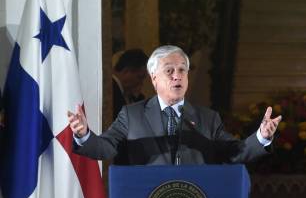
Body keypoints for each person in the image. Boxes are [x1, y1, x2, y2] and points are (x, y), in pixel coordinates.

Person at [68, 45, 281, 165]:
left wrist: (262, 136)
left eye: (182, 70)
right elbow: (105, 148)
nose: (177, 76)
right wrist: (84, 134)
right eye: (169, 70)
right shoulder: (131, 115)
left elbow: (235, 152)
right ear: (154, 78)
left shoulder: (208, 118)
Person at [112, 49, 149, 119]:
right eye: (140, 77)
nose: (141, 83)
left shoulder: (128, 94)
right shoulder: (112, 90)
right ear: (126, 71)